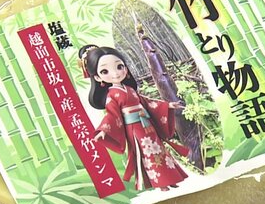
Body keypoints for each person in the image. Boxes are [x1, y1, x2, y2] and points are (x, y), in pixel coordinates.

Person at [79, 44, 190, 191]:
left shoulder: (130, 89)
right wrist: (104, 130)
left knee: (159, 149)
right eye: (105, 71)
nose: (116, 73)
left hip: (147, 124)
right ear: (98, 77)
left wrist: (167, 106)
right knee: (148, 153)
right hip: (135, 129)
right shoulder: (112, 94)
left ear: (126, 68)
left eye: (119, 67)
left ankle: (170, 178)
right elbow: (112, 115)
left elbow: (146, 102)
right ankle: (161, 183)